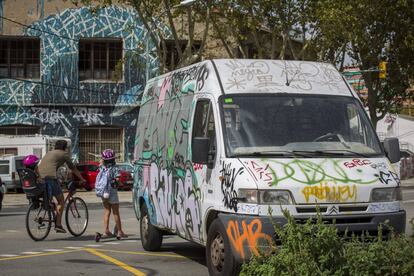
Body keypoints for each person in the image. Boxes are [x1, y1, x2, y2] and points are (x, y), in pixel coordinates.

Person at [37, 140, 85, 233]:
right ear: (65, 147)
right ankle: (58, 225)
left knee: (50, 198)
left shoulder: (49, 152)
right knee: (61, 200)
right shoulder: (64, 154)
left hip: (40, 178)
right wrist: (81, 178)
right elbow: (72, 168)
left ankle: (51, 210)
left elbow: (51, 166)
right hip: (50, 178)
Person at [98, 149, 127, 239]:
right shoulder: (115, 168)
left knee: (107, 211)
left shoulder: (102, 168)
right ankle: (119, 231)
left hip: (103, 192)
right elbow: (117, 180)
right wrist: (121, 184)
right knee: (116, 212)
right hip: (112, 192)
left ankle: (106, 231)